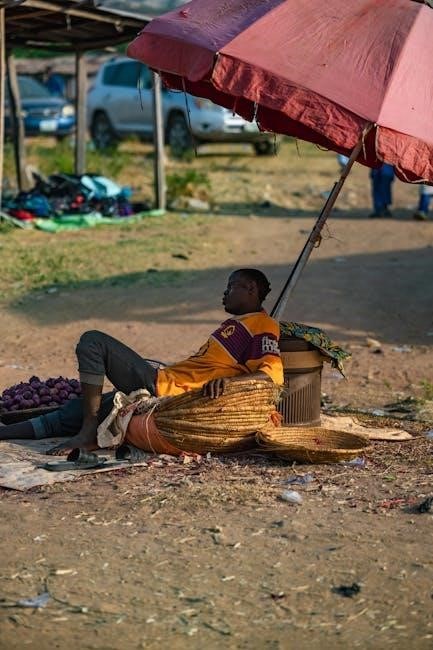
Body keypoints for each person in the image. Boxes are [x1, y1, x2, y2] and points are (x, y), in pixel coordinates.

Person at [0, 269, 283, 454]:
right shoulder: (234, 324)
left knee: (93, 341)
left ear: (250, 289)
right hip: (164, 380)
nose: (224, 293)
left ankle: (88, 432)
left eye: (231, 287)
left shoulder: (263, 324)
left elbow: (272, 375)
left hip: (167, 390)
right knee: (74, 411)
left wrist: (231, 383)